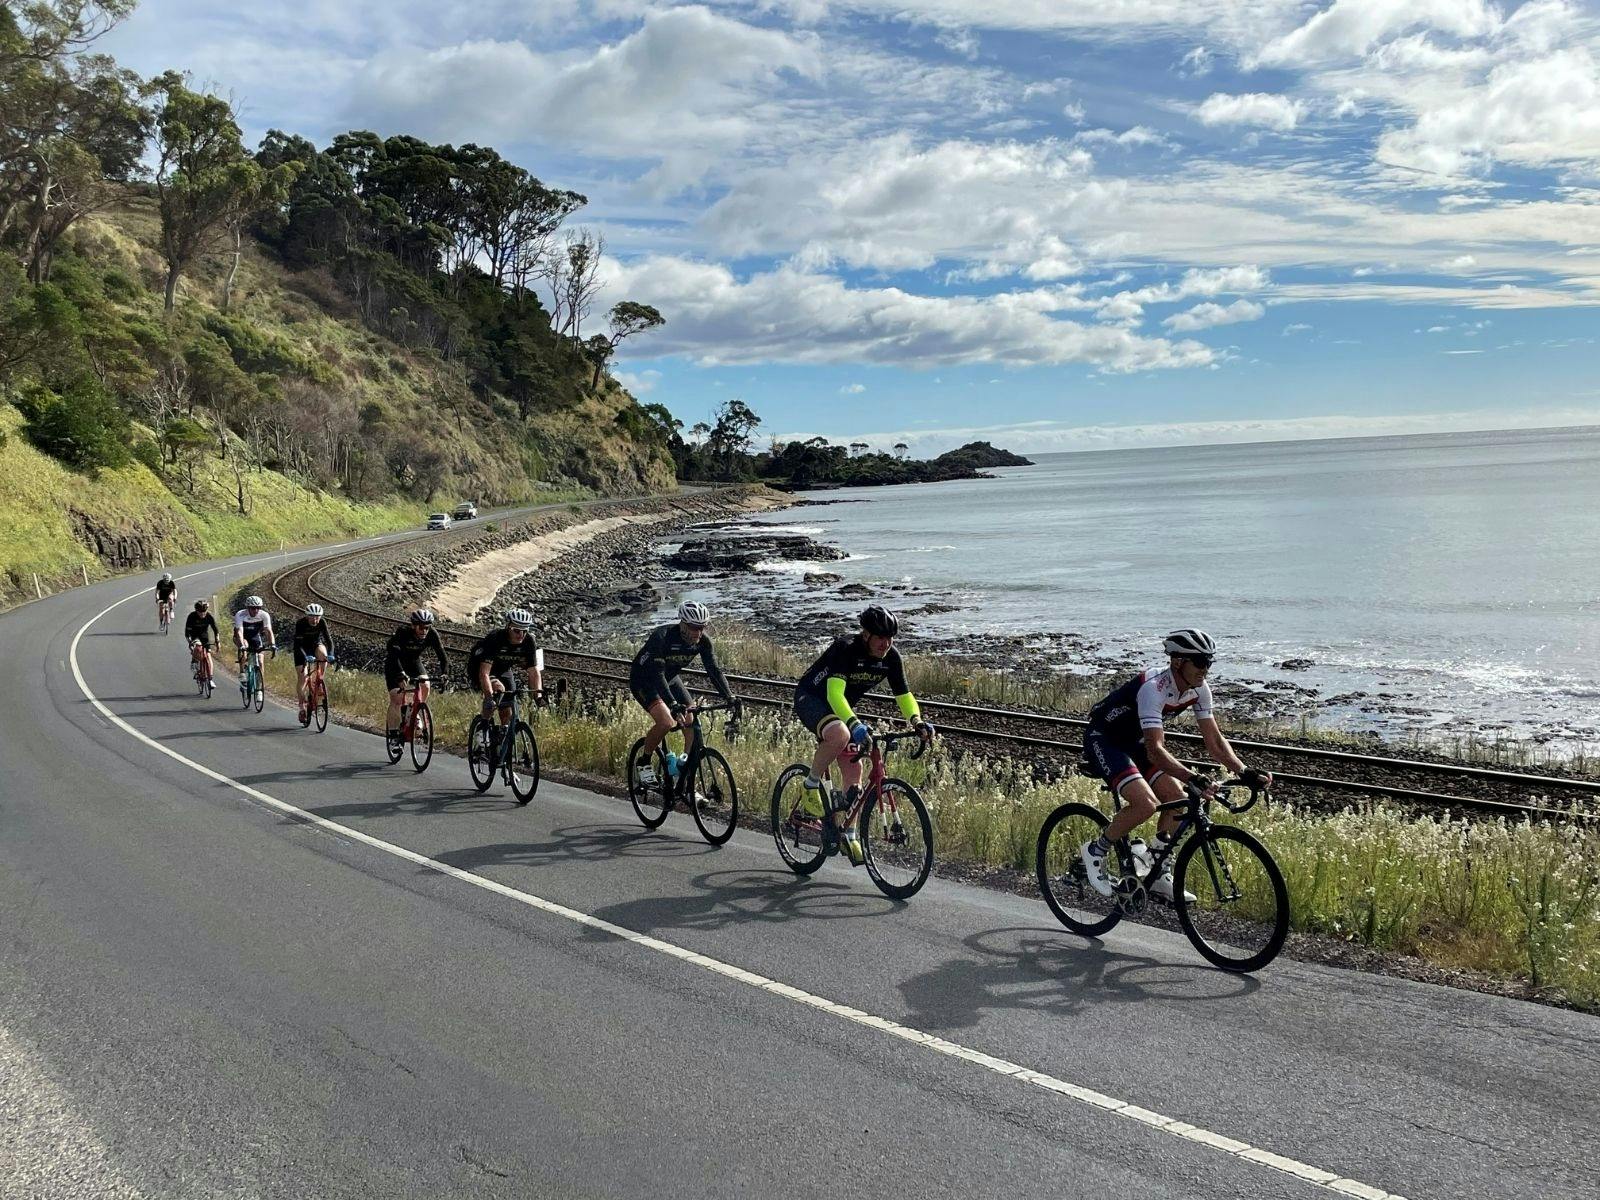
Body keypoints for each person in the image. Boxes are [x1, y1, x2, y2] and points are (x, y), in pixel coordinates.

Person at [1078, 629, 1271, 902]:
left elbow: (1214, 741)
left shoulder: (1199, 690)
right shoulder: (1153, 689)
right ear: (1178, 661)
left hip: (1136, 742)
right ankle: (1096, 850)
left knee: (1179, 799)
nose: (1206, 669)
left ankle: (1156, 871)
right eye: (1201, 662)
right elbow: (1156, 751)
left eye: (1209, 662)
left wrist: (1244, 770)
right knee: (1146, 804)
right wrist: (1192, 776)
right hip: (1105, 739)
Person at [792, 605, 934, 862]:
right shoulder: (846, 648)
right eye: (881, 637)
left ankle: (849, 834)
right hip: (811, 698)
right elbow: (834, 693)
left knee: (854, 772)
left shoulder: (891, 657)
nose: (886, 644)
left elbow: (903, 695)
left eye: (890, 638)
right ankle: (810, 784)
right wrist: (855, 725)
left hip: (839, 707)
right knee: (840, 734)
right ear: (866, 635)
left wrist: (917, 722)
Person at [628, 601, 739, 785]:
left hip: (670, 678)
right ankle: (644, 762)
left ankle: (683, 769)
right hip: (645, 679)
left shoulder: (703, 641)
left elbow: (714, 670)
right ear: (683, 623)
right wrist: (672, 705)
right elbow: (657, 674)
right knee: (666, 722)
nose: (698, 632)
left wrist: (729, 696)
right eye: (694, 627)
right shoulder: (662, 637)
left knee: (691, 720)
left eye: (702, 627)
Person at [466, 608, 544, 749]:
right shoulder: (495, 638)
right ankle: (483, 727)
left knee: (507, 709)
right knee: (498, 689)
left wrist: (538, 696)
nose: (521, 635)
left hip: (503, 669)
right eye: (516, 630)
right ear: (508, 626)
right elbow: (484, 673)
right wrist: (489, 698)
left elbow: (534, 672)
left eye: (524, 631)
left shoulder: (529, 641)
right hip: (480, 667)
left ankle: (502, 750)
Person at [384, 608, 448, 737]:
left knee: (425, 685)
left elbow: (443, 657)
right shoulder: (403, 632)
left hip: (413, 662)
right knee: (397, 698)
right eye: (421, 627)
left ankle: (415, 710)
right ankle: (393, 735)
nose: (424, 631)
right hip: (396, 663)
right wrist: (400, 673)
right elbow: (393, 656)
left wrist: (444, 674)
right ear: (413, 626)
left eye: (427, 627)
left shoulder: (432, 634)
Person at [291, 603, 336, 721]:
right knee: (304, 678)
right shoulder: (301, 623)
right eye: (312, 616)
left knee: (324, 654)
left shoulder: (322, 622)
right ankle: (302, 707)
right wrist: (306, 657)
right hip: (301, 649)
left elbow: (329, 640)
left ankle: (319, 679)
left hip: (315, 645)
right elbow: (298, 645)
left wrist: (331, 655)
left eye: (317, 616)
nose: (315, 619)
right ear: (307, 616)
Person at [233, 595, 275, 670]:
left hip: (255, 637)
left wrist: (272, 644)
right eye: (253, 608)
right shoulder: (240, 614)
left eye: (258, 608)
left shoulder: (264, 615)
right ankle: (242, 672)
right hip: (241, 637)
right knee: (244, 650)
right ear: (248, 607)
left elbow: (268, 631)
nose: (255, 610)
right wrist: (242, 646)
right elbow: (239, 631)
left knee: (260, 661)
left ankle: (260, 681)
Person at [184, 599, 218, 681]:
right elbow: (187, 633)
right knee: (198, 647)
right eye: (200, 612)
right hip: (194, 636)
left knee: (208, 655)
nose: (202, 614)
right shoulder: (191, 617)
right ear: (196, 611)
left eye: (204, 611)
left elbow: (215, 630)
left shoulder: (209, 617)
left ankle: (210, 677)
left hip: (204, 636)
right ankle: (194, 661)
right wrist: (190, 642)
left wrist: (218, 641)